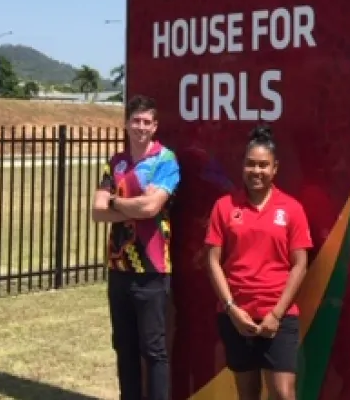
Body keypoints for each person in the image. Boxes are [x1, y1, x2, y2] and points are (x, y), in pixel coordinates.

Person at [204, 124, 311, 400]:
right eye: (251, 164)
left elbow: (300, 263)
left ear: (275, 168)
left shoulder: (292, 209)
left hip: (279, 316)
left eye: (264, 165)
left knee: (283, 393)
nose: (257, 171)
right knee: (247, 393)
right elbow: (212, 260)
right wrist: (231, 309)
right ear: (242, 166)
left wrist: (276, 314)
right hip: (237, 316)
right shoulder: (224, 206)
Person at [92, 95, 181, 400]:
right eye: (135, 121)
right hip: (119, 268)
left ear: (155, 126)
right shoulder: (115, 162)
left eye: (147, 122)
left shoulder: (165, 160)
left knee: (154, 350)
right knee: (124, 346)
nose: (140, 127)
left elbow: (151, 208)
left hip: (152, 269)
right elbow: (96, 211)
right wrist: (132, 205)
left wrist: (115, 201)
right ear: (126, 124)